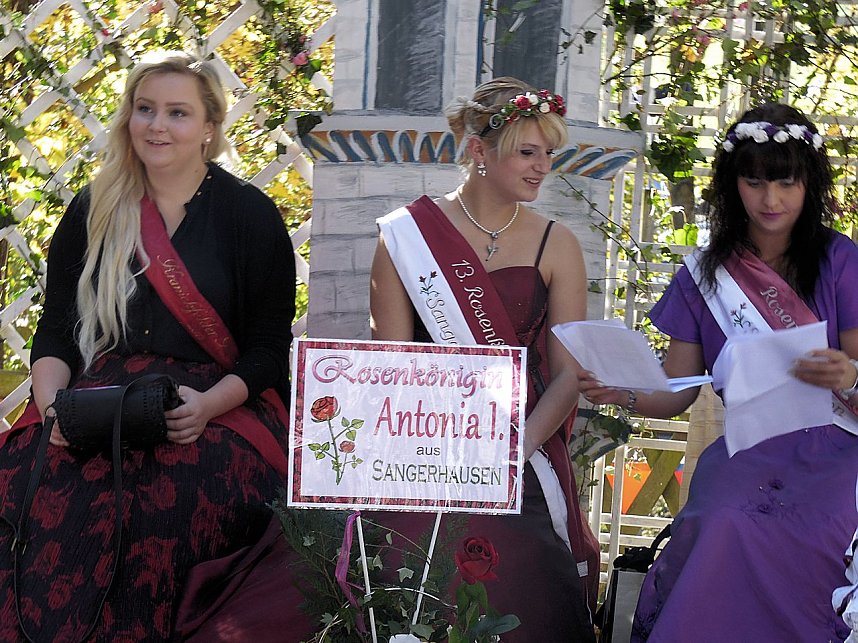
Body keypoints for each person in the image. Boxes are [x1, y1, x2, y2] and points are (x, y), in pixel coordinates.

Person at [0, 51, 301, 640]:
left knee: (176, 493)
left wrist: (208, 406)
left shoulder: (250, 215)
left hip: (216, 402)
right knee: (34, 478)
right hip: (98, 398)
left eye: (178, 113)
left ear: (210, 128)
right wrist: (54, 407)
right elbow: (56, 333)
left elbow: (268, 349)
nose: (157, 126)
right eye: (145, 109)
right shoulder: (95, 208)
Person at [579, 103, 858, 641]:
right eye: (754, 183)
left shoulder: (841, 261)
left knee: (817, 530)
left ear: (810, 184)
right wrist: (621, 392)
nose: (770, 201)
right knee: (724, 518)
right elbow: (675, 392)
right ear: (733, 184)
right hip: (749, 448)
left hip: (840, 451)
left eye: (786, 183)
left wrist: (846, 376)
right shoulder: (704, 274)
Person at [369, 76, 600, 641]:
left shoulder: (558, 244)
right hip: (424, 450)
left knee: (521, 565)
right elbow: (390, 368)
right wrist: (438, 453)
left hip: (519, 446)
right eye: (527, 151)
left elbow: (569, 374)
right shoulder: (405, 237)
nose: (542, 166)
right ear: (478, 150)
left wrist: (513, 451)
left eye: (549, 152)